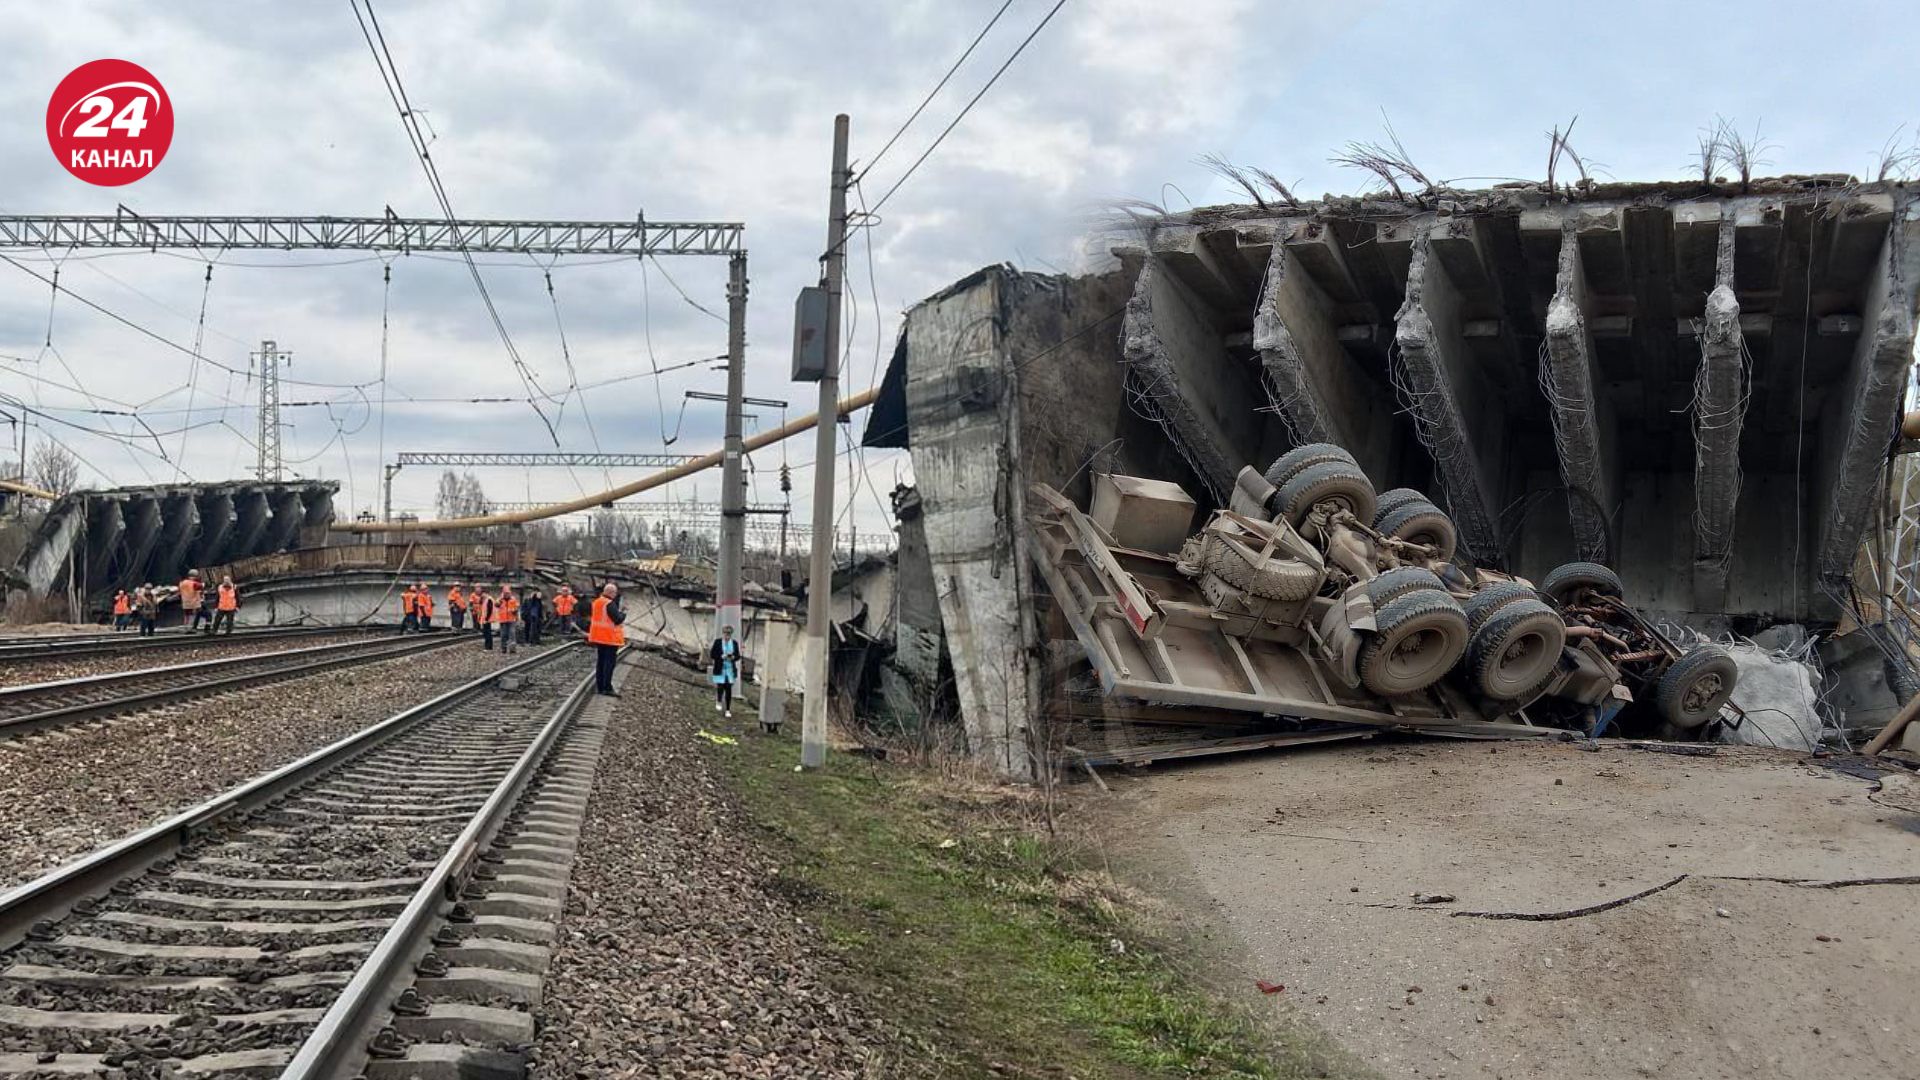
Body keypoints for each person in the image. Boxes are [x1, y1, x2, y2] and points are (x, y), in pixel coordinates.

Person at [587, 583, 625, 695]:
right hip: (609, 638)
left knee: (601, 663)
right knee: (609, 664)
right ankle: (607, 688)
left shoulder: (597, 602)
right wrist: (623, 613)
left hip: (599, 637)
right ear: (610, 592)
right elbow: (617, 619)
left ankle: (600, 687)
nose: (615, 595)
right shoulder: (609, 603)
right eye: (614, 592)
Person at [709, 624, 742, 718]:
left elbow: (738, 656)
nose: (727, 636)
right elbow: (712, 654)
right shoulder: (718, 642)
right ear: (722, 634)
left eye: (729, 634)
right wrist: (720, 656)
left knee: (728, 688)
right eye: (725, 634)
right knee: (720, 686)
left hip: (730, 669)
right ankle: (719, 700)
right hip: (720, 668)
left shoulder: (734, 643)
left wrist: (733, 657)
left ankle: (728, 709)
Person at [495, 585, 520, 655]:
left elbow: (517, 608)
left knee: (512, 634)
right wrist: (500, 600)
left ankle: (512, 649)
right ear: (503, 593)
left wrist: (515, 612)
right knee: (503, 635)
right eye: (505, 593)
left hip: (511, 620)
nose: (507, 594)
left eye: (508, 593)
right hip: (503, 620)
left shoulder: (513, 599)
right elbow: (496, 604)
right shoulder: (500, 599)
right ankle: (504, 648)